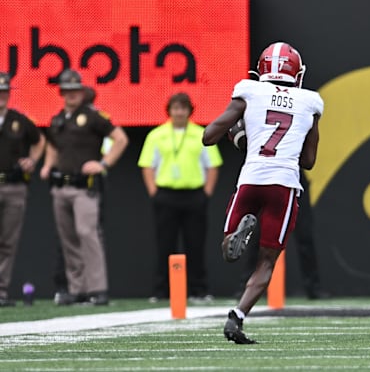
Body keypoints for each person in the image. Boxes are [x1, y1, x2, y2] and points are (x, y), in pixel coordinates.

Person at [202, 41, 323, 344]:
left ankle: (235, 237)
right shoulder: (310, 101)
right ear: (296, 72)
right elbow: (308, 161)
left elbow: (208, 136)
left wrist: (241, 136)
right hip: (283, 184)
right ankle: (238, 316)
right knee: (266, 261)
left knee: (229, 251)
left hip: (252, 176)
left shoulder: (249, 90)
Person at [40, 68, 128, 306]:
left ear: (81, 91)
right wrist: (48, 165)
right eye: (67, 90)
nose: (71, 94)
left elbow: (120, 138)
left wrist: (103, 163)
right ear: (62, 92)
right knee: (68, 238)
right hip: (61, 185)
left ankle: (97, 288)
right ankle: (77, 288)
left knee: (87, 234)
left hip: (84, 187)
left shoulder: (93, 116)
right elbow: (52, 146)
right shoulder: (58, 118)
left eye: (75, 89)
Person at [138, 92, 223, 302]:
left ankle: (199, 290)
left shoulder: (200, 133)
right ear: (170, 111)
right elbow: (147, 165)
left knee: (195, 243)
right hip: (166, 195)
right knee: (165, 244)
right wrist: (154, 192)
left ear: (189, 111)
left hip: (194, 195)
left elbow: (212, 165)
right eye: (175, 108)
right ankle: (162, 291)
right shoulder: (157, 135)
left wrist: (206, 193)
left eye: (183, 108)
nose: (179, 112)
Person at [233, 170, 330, 300]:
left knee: (304, 235)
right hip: (269, 178)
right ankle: (245, 285)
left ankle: (314, 287)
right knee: (258, 235)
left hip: (292, 178)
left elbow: (307, 161)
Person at [0, 72, 45, 307]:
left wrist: (32, 161)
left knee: (8, 241)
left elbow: (40, 140)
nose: (1, 96)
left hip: (13, 185)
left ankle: (1, 292)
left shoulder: (19, 120)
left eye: (5, 91)